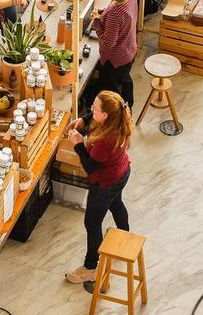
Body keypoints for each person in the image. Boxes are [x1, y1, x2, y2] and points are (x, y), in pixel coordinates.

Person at [63, 90, 132, 284]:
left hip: (106, 183)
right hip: (122, 171)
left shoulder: (105, 139)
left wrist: (78, 144)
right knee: (116, 204)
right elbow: (94, 116)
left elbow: (91, 166)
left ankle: (90, 268)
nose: (91, 109)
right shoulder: (119, 117)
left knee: (92, 223)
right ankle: (124, 236)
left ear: (105, 116)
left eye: (95, 109)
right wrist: (83, 120)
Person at [88, 0, 137, 108]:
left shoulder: (116, 13)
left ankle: (117, 120)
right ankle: (129, 106)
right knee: (124, 79)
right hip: (129, 52)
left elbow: (108, 43)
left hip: (115, 60)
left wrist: (97, 21)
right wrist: (104, 14)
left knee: (111, 95)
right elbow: (122, 19)